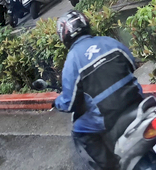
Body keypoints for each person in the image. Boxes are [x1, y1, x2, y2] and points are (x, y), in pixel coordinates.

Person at [53, 10, 143, 170]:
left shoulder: (72, 61)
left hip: (107, 117)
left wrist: (57, 102)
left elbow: (69, 103)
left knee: (79, 130)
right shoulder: (110, 42)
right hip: (138, 102)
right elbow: (132, 64)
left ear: (64, 36)